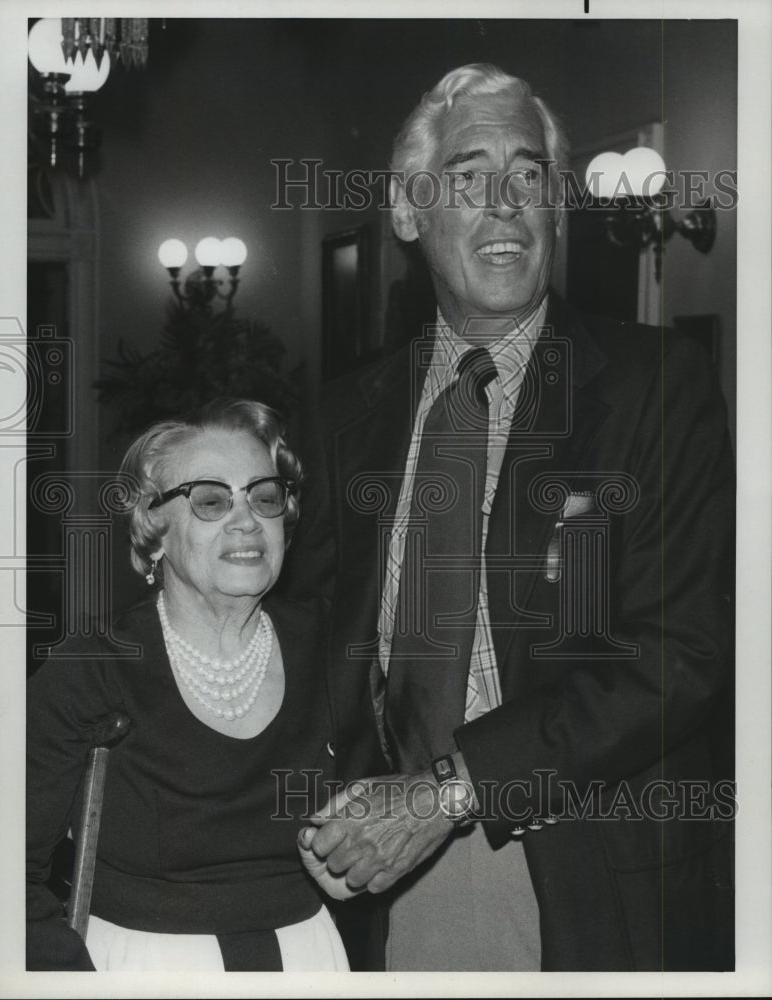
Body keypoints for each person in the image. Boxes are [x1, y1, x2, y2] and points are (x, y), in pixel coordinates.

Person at [296, 64, 735, 971]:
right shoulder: (343, 418)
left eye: (529, 174)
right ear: (409, 212)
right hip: (375, 889)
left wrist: (449, 794)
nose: (506, 204)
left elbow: (678, 654)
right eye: (468, 175)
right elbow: (311, 647)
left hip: (593, 879)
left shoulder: (656, 387)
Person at [26, 398, 350, 972]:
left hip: (311, 962)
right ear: (154, 531)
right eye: (210, 500)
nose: (246, 519)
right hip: (142, 969)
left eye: (264, 495)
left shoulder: (331, 645)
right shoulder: (94, 668)